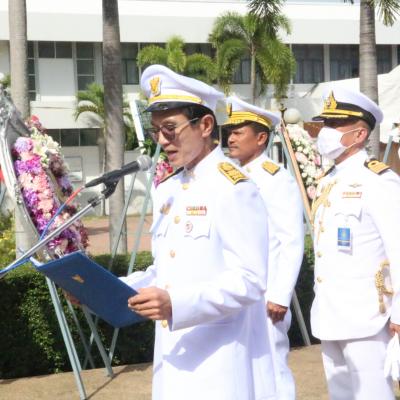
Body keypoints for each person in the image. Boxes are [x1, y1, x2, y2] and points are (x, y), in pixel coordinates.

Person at [121, 65, 276, 400]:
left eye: (170, 129)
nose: (162, 140)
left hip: (219, 359)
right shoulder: (168, 189)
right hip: (172, 354)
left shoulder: (233, 187)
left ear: (205, 126)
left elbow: (250, 280)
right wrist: (110, 290)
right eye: (156, 131)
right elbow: (164, 270)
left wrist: (177, 304)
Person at [311, 86, 400, 400]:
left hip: (368, 317)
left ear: (359, 134)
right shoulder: (330, 180)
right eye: (325, 124)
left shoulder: (378, 181)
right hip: (330, 313)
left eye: (334, 125)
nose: (325, 131)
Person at [222, 96, 304, 400]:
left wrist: (280, 294)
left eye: (238, 132)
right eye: (229, 132)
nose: (230, 138)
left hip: (266, 294)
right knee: (240, 367)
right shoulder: (229, 176)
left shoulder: (275, 178)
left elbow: (291, 239)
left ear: (260, 138)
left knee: (272, 366)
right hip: (236, 289)